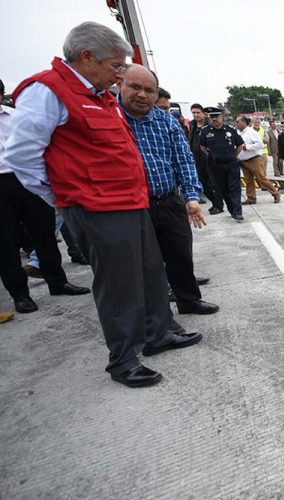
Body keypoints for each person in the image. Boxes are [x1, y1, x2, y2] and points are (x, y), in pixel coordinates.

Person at [4, 22, 200, 387]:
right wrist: (63, 197)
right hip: (97, 207)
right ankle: (124, 359)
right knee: (119, 284)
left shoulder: (102, 97)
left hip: (130, 201)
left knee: (151, 271)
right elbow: (21, 156)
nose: (119, 74)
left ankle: (158, 334)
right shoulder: (48, 91)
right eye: (115, 66)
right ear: (87, 56)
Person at [118, 64, 219, 315]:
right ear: (120, 85)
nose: (142, 94)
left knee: (180, 253)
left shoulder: (166, 121)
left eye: (149, 90)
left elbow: (183, 160)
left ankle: (188, 300)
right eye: (135, 87)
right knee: (146, 264)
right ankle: (158, 316)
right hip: (134, 205)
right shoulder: (111, 118)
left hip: (169, 199)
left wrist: (191, 197)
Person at [1, 77, 91, 313]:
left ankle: (57, 281)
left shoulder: (14, 116)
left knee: (45, 232)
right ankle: (20, 294)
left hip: (27, 179)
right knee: (6, 242)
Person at [199, 107, 245, 221]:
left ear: (222, 117)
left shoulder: (230, 130)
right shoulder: (206, 131)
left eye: (217, 116)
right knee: (223, 189)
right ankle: (232, 210)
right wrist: (212, 155)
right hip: (216, 165)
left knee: (235, 188)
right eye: (212, 117)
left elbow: (240, 145)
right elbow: (202, 147)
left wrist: (233, 155)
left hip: (231, 163)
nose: (215, 119)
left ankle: (237, 212)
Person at [236, 116, 280, 205]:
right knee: (248, 181)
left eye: (238, 122)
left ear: (244, 123)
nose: (236, 123)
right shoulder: (238, 133)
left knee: (261, 178)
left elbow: (260, 144)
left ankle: (275, 193)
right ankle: (251, 198)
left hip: (254, 159)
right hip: (243, 161)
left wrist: (247, 147)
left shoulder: (251, 132)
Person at [189, 103, 220, 208]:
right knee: (203, 183)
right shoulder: (192, 124)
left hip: (208, 158)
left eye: (198, 112)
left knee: (213, 183)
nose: (195, 115)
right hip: (196, 158)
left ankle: (218, 204)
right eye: (193, 113)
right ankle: (215, 203)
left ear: (203, 113)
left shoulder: (210, 125)